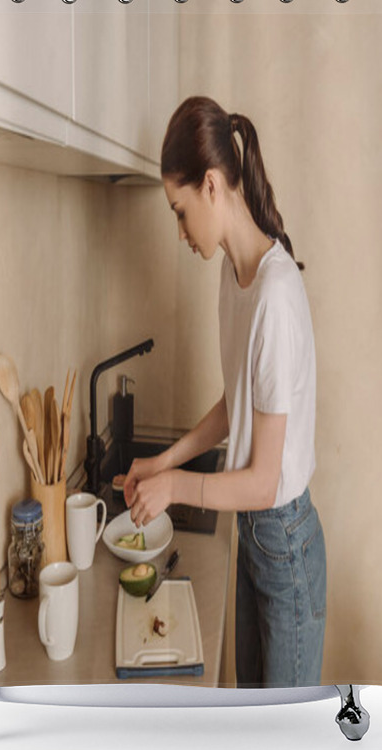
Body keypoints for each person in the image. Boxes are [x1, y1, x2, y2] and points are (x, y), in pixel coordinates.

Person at [122, 95, 326, 688]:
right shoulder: (234, 276)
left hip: (284, 541)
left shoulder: (275, 297)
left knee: (280, 733)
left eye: (180, 211)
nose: (180, 230)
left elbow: (264, 480)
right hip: (257, 534)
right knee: (251, 716)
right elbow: (237, 406)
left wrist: (174, 488)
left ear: (212, 185)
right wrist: (163, 462)